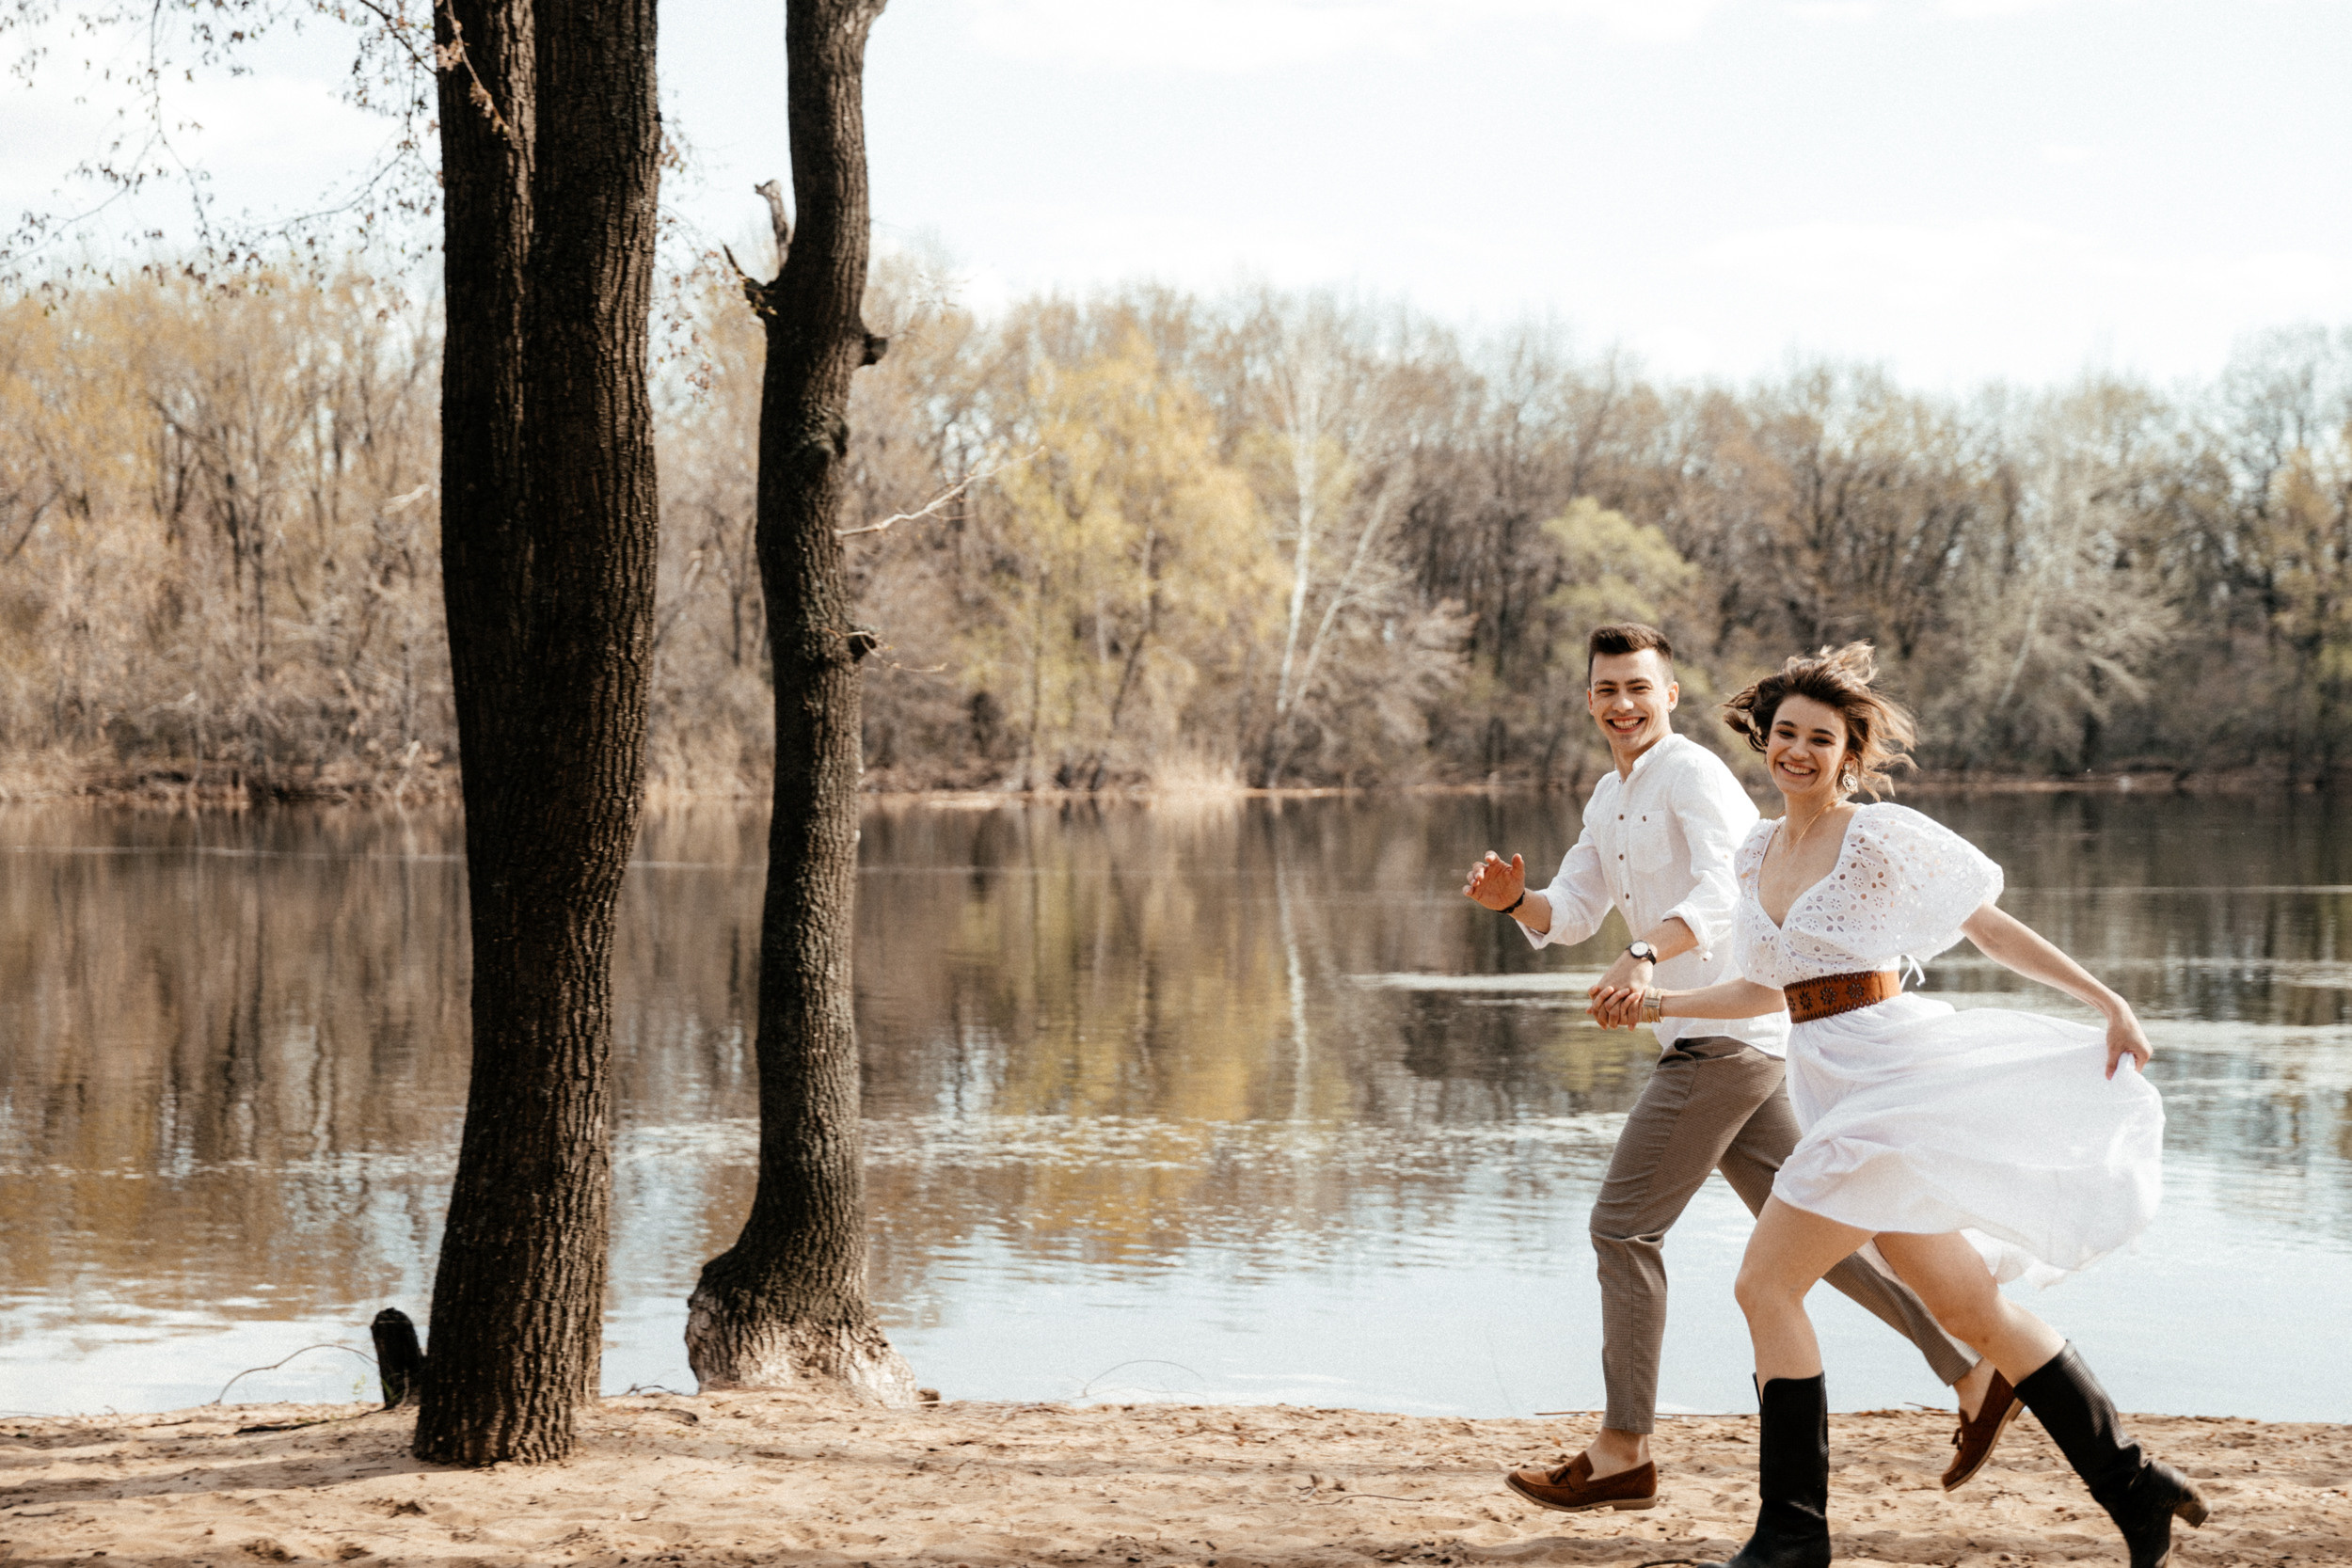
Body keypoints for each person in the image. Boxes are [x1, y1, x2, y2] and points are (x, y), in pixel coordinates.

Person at [1591, 642, 2204, 1568]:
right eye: (1786, 732)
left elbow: (1988, 926)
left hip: (1890, 1082)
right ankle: (2133, 1482)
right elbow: (1766, 987)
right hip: (1830, 1077)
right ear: (1768, 738)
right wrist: (1662, 1002)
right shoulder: (1758, 846)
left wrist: (2106, 1001)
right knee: (1971, 1311)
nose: (1798, 750)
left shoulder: (1876, 836)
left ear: (1849, 753)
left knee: (1764, 1282)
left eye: (1820, 738)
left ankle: (1793, 1530)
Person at [1465, 624, 2003, 1518]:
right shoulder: (1609, 796)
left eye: (1639, 686)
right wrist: (1514, 900)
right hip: (1723, 1046)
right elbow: (1569, 911)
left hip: (1727, 1040)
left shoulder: (1697, 776)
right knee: (1826, 1243)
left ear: (1669, 694)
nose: (1623, 704)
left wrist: (1643, 956)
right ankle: (1975, 1370)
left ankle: (1623, 1449)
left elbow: (1726, 891)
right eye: (1606, 690)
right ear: (1589, 699)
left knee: (1622, 1229)